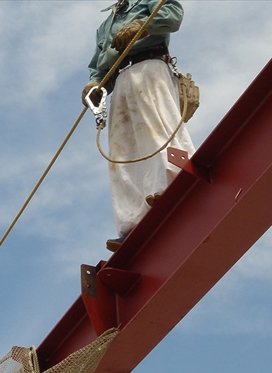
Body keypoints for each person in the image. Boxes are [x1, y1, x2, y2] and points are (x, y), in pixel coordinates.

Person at [82, 0, 196, 252]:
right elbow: (99, 65)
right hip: (121, 80)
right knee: (121, 152)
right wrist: (95, 84)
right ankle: (132, 222)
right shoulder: (106, 25)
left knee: (156, 128)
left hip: (149, 66)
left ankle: (171, 183)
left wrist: (143, 26)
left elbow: (172, 16)